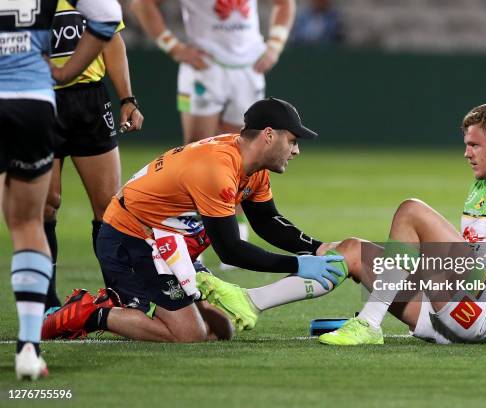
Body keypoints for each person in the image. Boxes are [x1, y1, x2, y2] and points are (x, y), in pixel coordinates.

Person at [194, 103, 486, 348]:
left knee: (412, 211)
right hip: (446, 314)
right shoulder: (483, 185)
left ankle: (370, 322)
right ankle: (251, 302)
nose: (466, 152)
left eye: (474, 145)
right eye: (465, 144)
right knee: (351, 251)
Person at [42, 97, 346, 343]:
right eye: (292, 140)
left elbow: (266, 221)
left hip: (167, 243)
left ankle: (132, 306)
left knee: (221, 330)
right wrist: (298, 264)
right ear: (268, 135)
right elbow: (230, 251)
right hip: (131, 238)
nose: (297, 150)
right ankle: (87, 313)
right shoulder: (217, 169)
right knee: (190, 335)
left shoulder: (252, 166)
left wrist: (316, 249)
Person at [0, 0, 122, 380]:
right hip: (33, 100)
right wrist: (66, 70)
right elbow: (107, 14)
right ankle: (28, 348)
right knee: (27, 225)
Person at [130, 0, 296, 254]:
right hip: (204, 67)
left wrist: (274, 46)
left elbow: (284, 4)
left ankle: (235, 234)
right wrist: (173, 47)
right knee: (196, 151)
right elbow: (142, 4)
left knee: (244, 153)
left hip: (248, 68)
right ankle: (184, 234)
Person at [44, 0, 145, 311]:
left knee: (108, 207)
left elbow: (112, 40)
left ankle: (120, 296)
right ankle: (46, 302)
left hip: (89, 101)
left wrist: (127, 98)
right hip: (40, 100)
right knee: (45, 205)